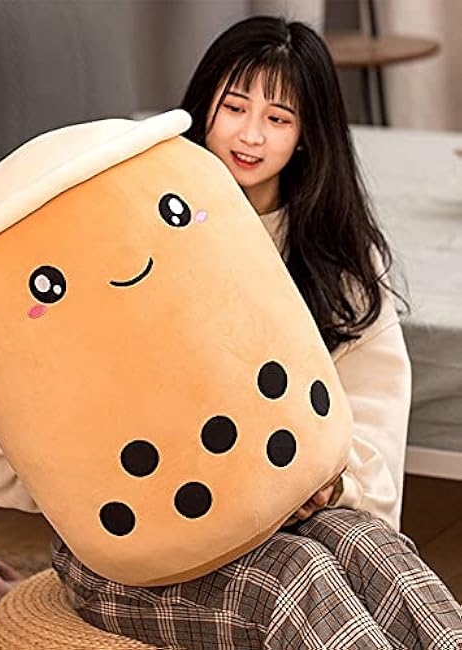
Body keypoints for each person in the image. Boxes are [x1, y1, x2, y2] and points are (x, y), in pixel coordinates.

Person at [46, 16, 462, 649]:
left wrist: (330, 483)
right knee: (301, 573)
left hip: (279, 520)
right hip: (134, 548)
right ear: (202, 108)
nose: (250, 134)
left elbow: (373, 413)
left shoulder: (337, 259)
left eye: (278, 117)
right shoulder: (131, 240)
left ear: (307, 135)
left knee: (366, 544)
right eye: (234, 107)